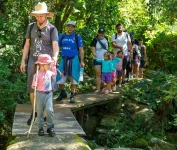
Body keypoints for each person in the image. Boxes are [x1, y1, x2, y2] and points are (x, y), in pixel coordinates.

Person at [20, 2, 59, 125]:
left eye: (41, 16)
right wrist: (23, 60)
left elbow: (55, 45)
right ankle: (35, 112)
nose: (39, 18)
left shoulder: (52, 29)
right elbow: (27, 44)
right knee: (32, 89)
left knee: (47, 89)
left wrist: (55, 57)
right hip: (33, 61)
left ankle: (46, 115)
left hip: (47, 64)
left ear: (46, 15)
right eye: (37, 16)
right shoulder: (31, 27)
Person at [56, 21, 84, 103]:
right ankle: (63, 92)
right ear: (67, 27)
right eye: (69, 26)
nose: (70, 28)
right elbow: (58, 48)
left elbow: (81, 49)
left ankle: (72, 95)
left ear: (74, 28)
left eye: (72, 26)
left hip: (74, 59)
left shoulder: (77, 36)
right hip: (64, 59)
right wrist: (55, 58)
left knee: (74, 78)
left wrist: (82, 61)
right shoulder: (62, 36)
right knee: (59, 77)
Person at [32, 54, 56, 137]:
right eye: (48, 64)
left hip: (48, 93)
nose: (49, 65)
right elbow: (33, 85)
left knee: (50, 110)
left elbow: (54, 73)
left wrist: (53, 66)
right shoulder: (37, 74)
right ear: (42, 64)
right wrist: (34, 84)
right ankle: (40, 127)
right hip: (40, 94)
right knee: (40, 111)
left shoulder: (49, 72)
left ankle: (50, 126)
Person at [91, 28, 109, 92]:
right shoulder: (95, 40)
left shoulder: (106, 39)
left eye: (103, 33)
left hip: (105, 60)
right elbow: (93, 50)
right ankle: (98, 88)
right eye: (100, 33)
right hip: (97, 59)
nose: (101, 34)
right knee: (98, 73)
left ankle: (106, 87)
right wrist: (95, 56)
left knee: (105, 73)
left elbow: (107, 49)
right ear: (98, 33)